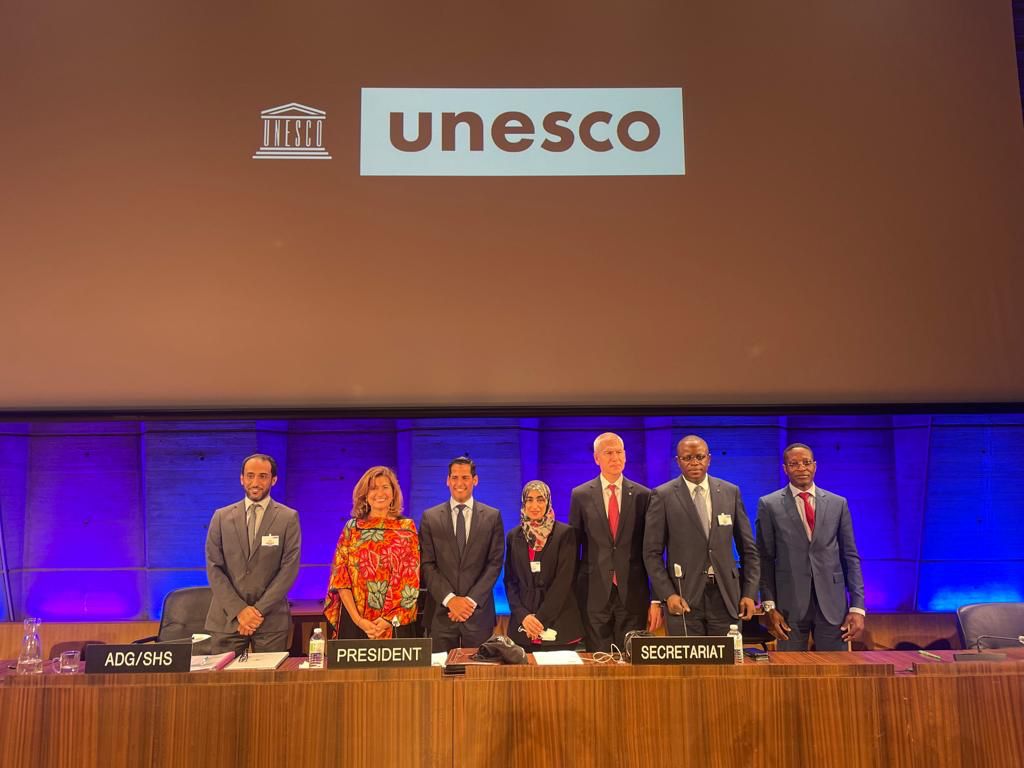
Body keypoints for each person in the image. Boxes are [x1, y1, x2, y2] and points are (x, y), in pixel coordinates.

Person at [643, 435, 759, 636]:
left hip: (726, 596)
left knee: (727, 656)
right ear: (678, 461)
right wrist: (667, 594)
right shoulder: (662, 495)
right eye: (687, 458)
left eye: (700, 457)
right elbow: (651, 554)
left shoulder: (730, 492)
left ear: (709, 459)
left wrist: (750, 593)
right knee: (687, 658)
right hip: (683, 597)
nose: (694, 462)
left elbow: (749, 550)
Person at [756, 443, 865, 650]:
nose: (801, 468)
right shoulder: (769, 504)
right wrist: (769, 606)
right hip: (788, 607)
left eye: (806, 463)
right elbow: (764, 559)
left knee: (836, 668)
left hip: (833, 605)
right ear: (785, 468)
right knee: (790, 668)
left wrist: (857, 607)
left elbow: (850, 556)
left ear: (815, 466)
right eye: (794, 464)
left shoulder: (838, 503)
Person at [569, 432, 661, 652]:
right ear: (596, 458)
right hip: (593, 593)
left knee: (631, 660)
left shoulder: (643, 495)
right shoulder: (581, 495)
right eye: (608, 452)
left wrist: (656, 599)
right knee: (598, 659)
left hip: (633, 593)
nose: (615, 457)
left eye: (619, 452)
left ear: (625, 456)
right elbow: (573, 547)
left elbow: (653, 549)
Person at [205, 453, 302, 654]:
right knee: (224, 676)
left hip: (271, 620)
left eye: (263, 476)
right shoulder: (221, 517)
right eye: (250, 476)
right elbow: (214, 568)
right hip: (227, 618)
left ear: (273, 480)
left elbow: (289, 569)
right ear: (242, 479)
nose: (255, 482)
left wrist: (256, 612)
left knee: (268, 676)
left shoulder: (288, 518)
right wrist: (239, 611)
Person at [419, 456, 505, 651]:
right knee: (440, 669)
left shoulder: (492, 517)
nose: (459, 483)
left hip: (478, 614)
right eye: (455, 477)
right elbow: (427, 564)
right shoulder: (430, 517)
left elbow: (494, 564)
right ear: (447, 480)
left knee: (479, 669)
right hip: (441, 614)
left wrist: (469, 602)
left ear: (475, 480)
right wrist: (451, 600)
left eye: (465, 477)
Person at [324, 466, 420, 639]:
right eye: (373, 488)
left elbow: (410, 578)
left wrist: (387, 620)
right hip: (355, 621)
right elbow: (340, 579)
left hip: (395, 622)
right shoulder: (352, 528)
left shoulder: (407, 528)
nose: (380, 493)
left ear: (393, 493)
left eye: (385, 487)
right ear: (365, 495)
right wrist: (358, 620)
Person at [505, 480, 584, 651]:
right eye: (529, 500)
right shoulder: (513, 536)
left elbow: (564, 582)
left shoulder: (565, 534)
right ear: (523, 503)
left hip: (558, 626)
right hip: (523, 629)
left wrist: (540, 620)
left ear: (548, 502)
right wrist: (524, 616)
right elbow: (510, 581)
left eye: (540, 499)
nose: (535, 506)